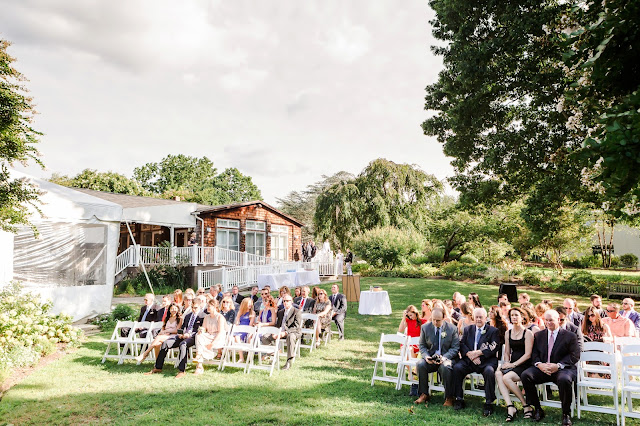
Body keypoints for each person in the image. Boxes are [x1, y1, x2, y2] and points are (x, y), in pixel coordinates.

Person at [520, 309, 580, 425]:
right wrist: (539, 364)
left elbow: (574, 355)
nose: (548, 323)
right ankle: (537, 409)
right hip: (543, 368)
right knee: (526, 375)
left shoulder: (570, 336)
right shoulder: (539, 335)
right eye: (546, 320)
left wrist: (558, 365)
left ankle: (565, 413)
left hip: (563, 369)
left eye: (551, 320)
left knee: (564, 380)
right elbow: (534, 354)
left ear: (558, 320)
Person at [453, 307, 500, 416]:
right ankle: (459, 398)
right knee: (457, 368)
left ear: (485, 318)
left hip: (486, 361)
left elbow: (494, 346)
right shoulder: (468, 329)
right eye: (476, 317)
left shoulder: (493, 331)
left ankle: (489, 402)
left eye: (481, 317)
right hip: (469, 360)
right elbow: (462, 344)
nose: (478, 319)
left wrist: (479, 353)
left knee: (489, 371)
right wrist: (471, 356)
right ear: (473, 318)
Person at [146, 295, 206, 379]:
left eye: (195, 307)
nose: (193, 309)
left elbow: (200, 330)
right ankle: (158, 367)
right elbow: (183, 327)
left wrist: (188, 335)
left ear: (200, 306)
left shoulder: (203, 316)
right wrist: (180, 334)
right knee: (165, 343)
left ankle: (182, 370)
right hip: (183, 335)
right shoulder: (188, 316)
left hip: (193, 337)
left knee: (183, 345)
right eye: (192, 307)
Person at [414, 308, 460, 407]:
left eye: (438, 320)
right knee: (420, 364)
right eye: (434, 319)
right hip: (431, 358)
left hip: (446, 358)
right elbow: (422, 345)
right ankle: (424, 393)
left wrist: (444, 358)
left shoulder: (452, 329)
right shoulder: (425, 328)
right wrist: (426, 357)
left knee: (445, 367)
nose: (435, 322)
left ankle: (449, 397)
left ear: (443, 318)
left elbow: (455, 348)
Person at [496, 307, 534, 422]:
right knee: (498, 373)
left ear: (522, 317)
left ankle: (526, 405)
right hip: (512, 364)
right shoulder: (508, 333)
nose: (514, 317)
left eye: (516, 315)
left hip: (525, 365)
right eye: (512, 315)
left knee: (507, 378)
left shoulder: (528, 333)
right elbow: (507, 352)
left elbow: (528, 354)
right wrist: (507, 362)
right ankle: (510, 407)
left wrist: (513, 365)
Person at [261, 295, 301, 370]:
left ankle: (289, 361)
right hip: (280, 332)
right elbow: (277, 325)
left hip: (292, 332)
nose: (286, 302)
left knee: (291, 337)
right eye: (284, 301)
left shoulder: (297, 311)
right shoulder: (280, 312)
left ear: (291, 301)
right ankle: (273, 355)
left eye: (288, 301)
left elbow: (296, 326)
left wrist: (285, 332)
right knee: (265, 336)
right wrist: (274, 332)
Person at [194, 298, 227, 374]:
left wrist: (212, 343)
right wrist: (201, 330)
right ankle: (199, 358)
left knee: (201, 344)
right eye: (207, 306)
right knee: (198, 336)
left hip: (218, 337)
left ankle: (199, 366)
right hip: (209, 335)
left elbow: (220, 332)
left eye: (209, 306)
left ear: (215, 307)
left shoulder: (220, 317)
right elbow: (204, 329)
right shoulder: (206, 317)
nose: (207, 308)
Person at [233, 298, 256, 362]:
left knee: (237, 337)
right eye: (248, 303)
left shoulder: (252, 313)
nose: (250, 305)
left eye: (251, 304)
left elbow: (250, 325)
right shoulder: (240, 312)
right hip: (239, 329)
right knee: (232, 337)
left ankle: (241, 357)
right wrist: (237, 327)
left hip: (246, 330)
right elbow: (237, 322)